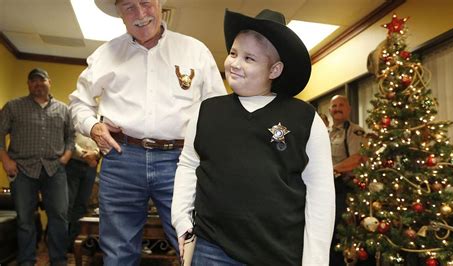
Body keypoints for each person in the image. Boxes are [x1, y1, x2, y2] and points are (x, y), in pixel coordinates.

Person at [172, 9, 335, 265]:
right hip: (212, 249)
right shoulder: (207, 111)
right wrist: (181, 220)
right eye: (233, 53)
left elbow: (321, 192)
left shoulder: (305, 118)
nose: (235, 63)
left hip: (280, 253)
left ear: (274, 70)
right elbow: (188, 164)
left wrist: (315, 260)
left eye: (249, 58)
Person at [68, 0, 226, 264]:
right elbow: (79, 102)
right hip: (121, 158)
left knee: (194, 246)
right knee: (117, 253)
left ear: (159, 3)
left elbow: (217, 111)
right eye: (129, 6)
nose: (140, 14)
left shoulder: (195, 51)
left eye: (145, 2)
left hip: (181, 161)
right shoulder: (105, 54)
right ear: (119, 13)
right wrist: (93, 126)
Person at [0, 68, 75, 266]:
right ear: (28, 84)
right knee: (25, 219)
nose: (38, 84)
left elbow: (71, 136)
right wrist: (5, 160)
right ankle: (26, 261)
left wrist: (67, 155)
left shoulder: (63, 109)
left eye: (41, 80)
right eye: (33, 81)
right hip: (22, 170)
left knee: (59, 217)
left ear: (49, 82)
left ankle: (58, 261)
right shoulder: (13, 107)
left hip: (54, 169)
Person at [328, 94, 366, 266]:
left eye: (341, 105)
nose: (337, 109)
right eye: (334, 106)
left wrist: (331, 170)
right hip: (326, 189)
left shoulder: (354, 131)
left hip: (345, 189)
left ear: (349, 108)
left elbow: (357, 159)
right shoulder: (326, 133)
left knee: (340, 231)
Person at [66, 133, 99, 251]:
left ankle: (73, 244)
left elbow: (105, 139)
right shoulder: (72, 113)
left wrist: (95, 153)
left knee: (81, 206)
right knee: (66, 206)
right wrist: (84, 154)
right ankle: (60, 246)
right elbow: (67, 136)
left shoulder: (103, 115)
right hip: (72, 162)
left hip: (92, 165)